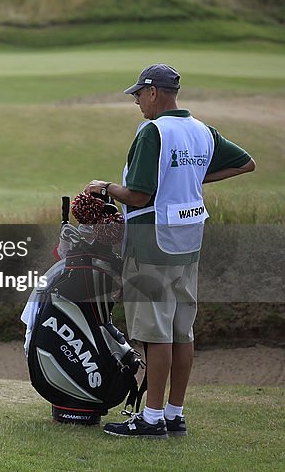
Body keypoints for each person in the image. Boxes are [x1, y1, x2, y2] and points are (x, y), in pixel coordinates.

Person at [86, 64, 254, 438]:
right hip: (189, 242)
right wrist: (191, 178)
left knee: (155, 333)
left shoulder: (153, 132)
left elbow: (139, 195)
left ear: (154, 92)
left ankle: (152, 418)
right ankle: (175, 413)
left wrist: (105, 187)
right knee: (182, 331)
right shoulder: (201, 130)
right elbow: (246, 163)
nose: (136, 102)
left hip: (152, 244)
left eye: (138, 95)